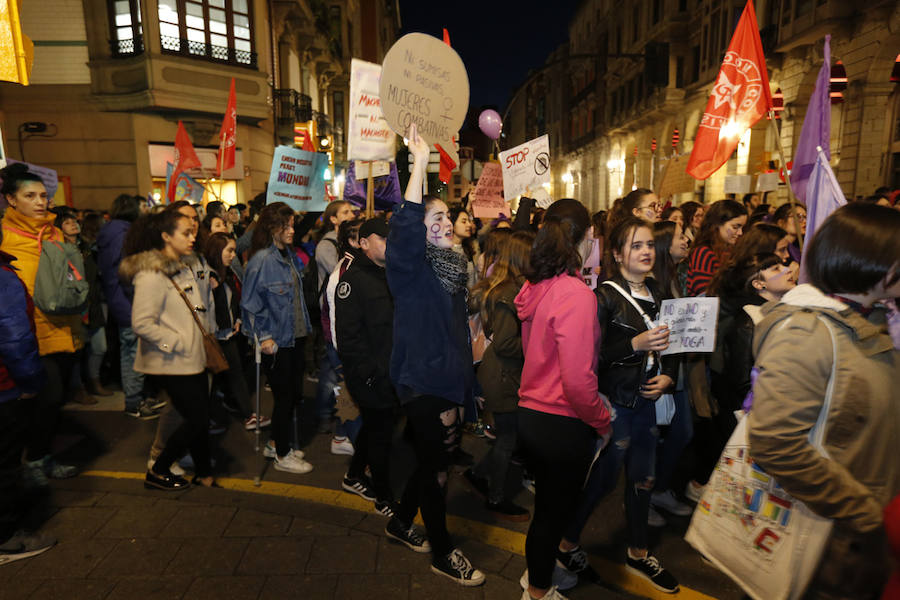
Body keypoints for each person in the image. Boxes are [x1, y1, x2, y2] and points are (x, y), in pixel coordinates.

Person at [748, 203, 900, 599]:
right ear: (876, 264)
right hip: (825, 543)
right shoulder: (807, 332)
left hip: (860, 535)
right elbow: (775, 442)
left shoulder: (876, 318)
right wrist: (863, 513)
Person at [383, 124, 484, 586]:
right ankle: (442, 551)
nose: (444, 221)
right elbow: (404, 226)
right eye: (434, 218)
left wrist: (469, 387)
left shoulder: (452, 269)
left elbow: (459, 337)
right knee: (438, 470)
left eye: (446, 214)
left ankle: (402, 522)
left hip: (450, 381)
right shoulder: (410, 269)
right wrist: (418, 161)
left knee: (429, 463)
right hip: (423, 384)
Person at [557, 216, 679, 594]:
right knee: (603, 480)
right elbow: (589, 358)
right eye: (635, 245)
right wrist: (634, 345)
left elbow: (674, 345)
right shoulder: (603, 296)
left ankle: (639, 553)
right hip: (615, 405)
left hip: (647, 405)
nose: (645, 252)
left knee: (644, 479)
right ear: (616, 253)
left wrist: (669, 377)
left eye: (648, 245)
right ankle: (566, 544)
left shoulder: (660, 292)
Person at [514, 198, 612, 600]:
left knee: (547, 513)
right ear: (587, 237)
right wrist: (602, 419)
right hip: (561, 420)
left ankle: (537, 577)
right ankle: (537, 591)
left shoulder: (536, 286)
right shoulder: (574, 293)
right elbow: (577, 379)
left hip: (532, 414)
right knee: (551, 517)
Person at [120, 210, 218, 490]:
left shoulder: (183, 265)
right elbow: (141, 324)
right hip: (172, 361)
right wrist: (174, 344)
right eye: (185, 233)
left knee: (199, 417)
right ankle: (159, 469)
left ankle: (204, 473)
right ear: (165, 236)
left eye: (193, 231)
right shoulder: (151, 274)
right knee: (197, 419)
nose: (192, 237)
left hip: (192, 357)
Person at [0, 163, 82, 486]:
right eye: (29, 195)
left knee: (55, 403)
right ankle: (30, 463)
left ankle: (42, 457)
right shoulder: (5, 237)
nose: (39, 202)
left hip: (64, 330)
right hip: (29, 336)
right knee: (42, 402)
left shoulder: (56, 233)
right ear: (11, 199)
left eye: (44, 195)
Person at [464, 230, 535, 522]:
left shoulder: (512, 287)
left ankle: (478, 475)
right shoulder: (509, 293)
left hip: (504, 372)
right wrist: (538, 342)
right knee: (508, 437)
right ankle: (495, 496)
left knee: (509, 435)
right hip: (503, 375)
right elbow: (506, 342)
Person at [241, 203, 314, 474]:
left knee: (294, 395)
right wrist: (265, 337)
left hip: (295, 336)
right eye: (287, 225)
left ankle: (276, 442)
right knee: (284, 399)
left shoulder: (288, 255)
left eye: (293, 224)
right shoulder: (261, 260)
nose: (292, 230)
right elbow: (250, 303)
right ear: (272, 227)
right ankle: (283, 455)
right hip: (277, 341)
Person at [335, 217, 397, 517]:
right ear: (364, 243)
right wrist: (371, 375)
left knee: (376, 429)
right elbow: (348, 337)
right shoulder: (352, 280)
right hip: (372, 376)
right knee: (382, 435)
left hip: (391, 370)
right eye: (383, 239)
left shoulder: (390, 273)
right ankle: (385, 496)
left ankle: (354, 475)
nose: (390, 243)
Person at [0, 239, 56, 563]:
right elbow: (14, 338)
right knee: (5, 465)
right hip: (6, 387)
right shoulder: (3, 277)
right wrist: (31, 383)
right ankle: (7, 539)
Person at [98, 194, 160, 418]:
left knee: (133, 349)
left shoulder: (110, 230)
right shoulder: (123, 233)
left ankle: (139, 396)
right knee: (133, 351)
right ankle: (134, 402)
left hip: (118, 298)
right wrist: (138, 296)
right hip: (126, 301)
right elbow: (126, 271)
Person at [204, 232, 264, 431]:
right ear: (216, 251)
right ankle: (211, 419)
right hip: (211, 336)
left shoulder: (227, 273)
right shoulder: (206, 276)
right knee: (211, 381)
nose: (232, 255)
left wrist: (237, 319)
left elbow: (233, 302)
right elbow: (213, 308)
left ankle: (248, 415)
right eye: (229, 251)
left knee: (235, 374)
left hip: (228, 333)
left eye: (233, 251)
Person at [322, 218, 364, 455]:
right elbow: (337, 320)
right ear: (352, 241)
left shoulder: (362, 266)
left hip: (353, 346)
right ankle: (359, 451)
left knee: (349, 393)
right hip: (343, 347)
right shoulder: (343, 273)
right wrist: (344, 356)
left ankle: (340, 436)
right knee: (349, 396)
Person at [314, 200, 355, 433]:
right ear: (333, 219)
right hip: (332, 316)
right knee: (338, 370)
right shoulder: (326, 246)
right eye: (345, 212)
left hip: (343, 315)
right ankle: (341, 423)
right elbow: (342, 275)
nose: (351, 214)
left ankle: (330, 414)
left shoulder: (341, 242)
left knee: (331, 368)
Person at [685, 199, 746, 296]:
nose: (740, 233)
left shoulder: (728, 250)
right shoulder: (703, 252)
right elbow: (705, 293)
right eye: (735, 227)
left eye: (742, 228)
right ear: (717, 224)